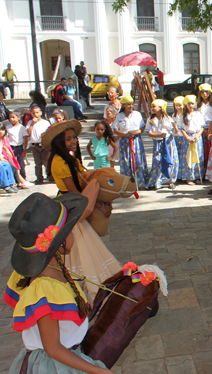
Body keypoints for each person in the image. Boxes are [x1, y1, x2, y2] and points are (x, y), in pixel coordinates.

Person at [0, 192, 160, 374]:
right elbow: (53, 348)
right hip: (56, 370)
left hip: (64, 362)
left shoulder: (51, 271)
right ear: (58, 244)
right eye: (71, 228)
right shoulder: (44, 289)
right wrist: (98, 371)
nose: (75, 231)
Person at [45, 120, 121, 298]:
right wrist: (99, 204)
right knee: (78, 246)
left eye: (74, 138)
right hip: (69, 207)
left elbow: (84, 180)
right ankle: (79, 285)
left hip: (75, 203)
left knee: (86, 244)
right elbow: (75, 193)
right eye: (68, 139)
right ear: (58, 142)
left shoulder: (70, 158)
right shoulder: (59, 162)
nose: (73, 141)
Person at [114, 96, 147, 189]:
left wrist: (134, 133)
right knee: (125, 161)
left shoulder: (137, 114)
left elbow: (142, 128)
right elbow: (115, 130)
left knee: (137, 160)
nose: (130, 106)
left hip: (135, 140)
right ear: (123, 105)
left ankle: (140, 182)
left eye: (132, 104)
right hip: (125, 141)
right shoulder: (119, 116)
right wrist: (125, 134)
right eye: (128, 104)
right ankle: (127, 183)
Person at [145, 99, 177, 190]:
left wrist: (175, 127)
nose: (152, 108)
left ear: (160, 108)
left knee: (169, 161)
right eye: (151, 107)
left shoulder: (167, 119)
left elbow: (173, 131)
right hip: (158, 142)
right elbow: (149, 133)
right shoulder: (151, 120)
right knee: (157, 161)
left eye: (154, 106)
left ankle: (170, 180)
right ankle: (156, 181)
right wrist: (160, 135)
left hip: (168, 142)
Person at [179, 94, 205, 185]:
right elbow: (181, 128)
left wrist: (197, 136)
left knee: (198, 156)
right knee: (188, 157)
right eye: (189, 104)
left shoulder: (198, 114)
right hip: (187, 138)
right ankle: (188, 177)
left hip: (197, 137)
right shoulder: (183, 115)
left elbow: (202, 127)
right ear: (186, 104)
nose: (191, 106)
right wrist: (187, 137)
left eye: (192, 103)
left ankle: (197, 176)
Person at [26, 105, 52, 184]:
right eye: (33, 113)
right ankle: (39, 177)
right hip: (35, 145)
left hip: (43, 144)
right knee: (37, 163)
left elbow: (48, 132)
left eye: (37, 112)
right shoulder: (30, 123)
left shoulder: (45, 122)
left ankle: (50, 176)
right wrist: (32, 124)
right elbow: (28, 132)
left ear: (40, 113)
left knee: (46, 161)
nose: (35, 114)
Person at [6, 111, 29, 181]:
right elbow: (6, 138)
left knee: (21, 164)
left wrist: (24, 150)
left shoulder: (22, 128)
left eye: (13, 117)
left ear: (18, 118)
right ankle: (14, 178)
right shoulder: (7, 127)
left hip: (19, 147)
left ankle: (23, 178)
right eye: (10, 117)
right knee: (12, 164)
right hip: (11, 148)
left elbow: (25, 140)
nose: (11, 119)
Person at [197, 83, 212, 170]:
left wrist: (210, 130)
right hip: (200, 129)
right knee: (201, 151)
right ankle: (203, 170)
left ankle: (211, 169)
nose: (205, 94)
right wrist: (202, 130)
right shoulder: (197, 105)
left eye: (207, 92)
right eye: (203, 92)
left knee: (211, 150)